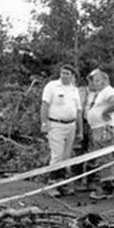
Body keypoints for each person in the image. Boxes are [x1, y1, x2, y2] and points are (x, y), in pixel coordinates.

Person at [40, 64, 82, 197]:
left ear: (73, 76)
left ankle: (62, 183)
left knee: (66, 157)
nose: (64, 75)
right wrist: (44, 123)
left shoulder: (74, 90)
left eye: (68, 73)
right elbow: (45, 105)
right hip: (55, 125)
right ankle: (52, 184)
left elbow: (79, 111)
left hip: (71, 126)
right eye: (63, 73)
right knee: (57, 155)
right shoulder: (52, 86)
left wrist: (80, 130)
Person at [86, 70, 114, 200]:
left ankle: (107, 188)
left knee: (105, 158)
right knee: (103, 157)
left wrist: (106, 113)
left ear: (104, 80)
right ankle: (105, 185)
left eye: (96, 80)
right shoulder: (102, 93)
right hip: (98, 128)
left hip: (104, 129)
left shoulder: (109, 91)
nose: (94, 83)